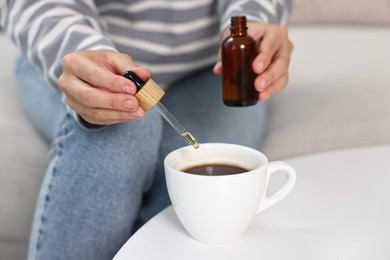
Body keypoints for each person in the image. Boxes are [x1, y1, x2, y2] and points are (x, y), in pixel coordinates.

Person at [1, 1, 293, 259]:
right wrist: (87, 60)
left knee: (196, 189)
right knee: (119, 132)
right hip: (76, 50)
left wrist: (252, 25)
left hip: (206, 69)